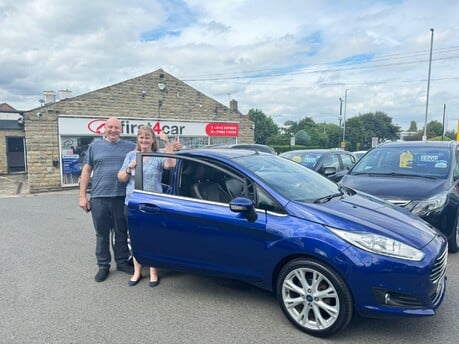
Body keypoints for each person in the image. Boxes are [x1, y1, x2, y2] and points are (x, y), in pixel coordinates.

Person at [118, 126, 177, 287]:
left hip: (152, 205)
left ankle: (153, 272)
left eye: (147, 137)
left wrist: (168, 143)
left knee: (153, 237)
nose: (144, 140)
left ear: (153, 140)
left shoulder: (156, 156)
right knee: (134, 238)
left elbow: (171, 165)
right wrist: (129, 168)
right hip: (132, 203)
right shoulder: (131, 155)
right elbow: (121, 177)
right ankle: (137, 272)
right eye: (141, 137)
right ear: (137, 139)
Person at [79, 117, 135, 282]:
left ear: (121, 130)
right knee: (102, 234)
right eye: (110, 127)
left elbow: (150, 151)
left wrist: (172, 149)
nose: (113, 130)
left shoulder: (130, 147)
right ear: (104, 128)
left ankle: (122, 262)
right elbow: (86, 171)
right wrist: (82, 196)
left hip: (120, 197)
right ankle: (103, 265)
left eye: (116, 128)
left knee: (121, 232)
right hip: (99, 197)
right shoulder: (95, 146)